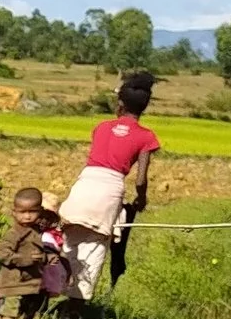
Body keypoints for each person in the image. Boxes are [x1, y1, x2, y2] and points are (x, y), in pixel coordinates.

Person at [54, 71, 160, 305]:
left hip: (83, 185)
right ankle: (74, 307)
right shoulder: (146, 137)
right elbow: (140, 181)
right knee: (93, 248)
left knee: (68, 243)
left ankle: (49, 296)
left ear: (120, 104)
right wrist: (141, 200)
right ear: (145, 107)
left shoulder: (101, 127)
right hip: (109, 192)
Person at [0, 185, 62, 319]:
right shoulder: (15, 233)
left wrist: (47, 257)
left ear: (40, 211)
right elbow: (3, 253)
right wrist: (26, 259)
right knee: (8, 315)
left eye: (32, 212)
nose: (27, 216)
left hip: (30, 283)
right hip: (12, 283)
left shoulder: (36, 231)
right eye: (22, 212)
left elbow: (37, 252)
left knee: (28, 315)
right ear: (14, 212)